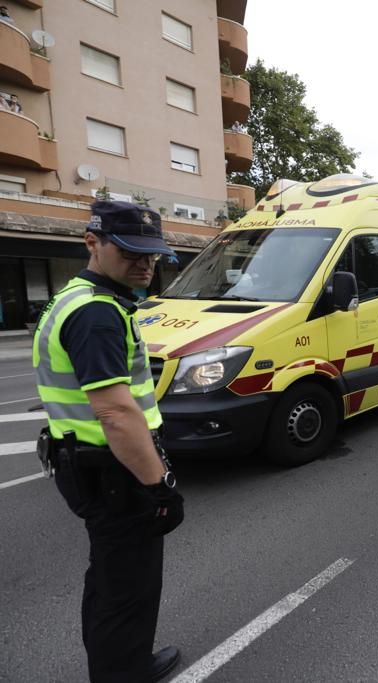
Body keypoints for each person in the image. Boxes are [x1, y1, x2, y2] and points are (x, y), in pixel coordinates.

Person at [33, 201, 184, 682]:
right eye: (131, 252)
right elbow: (116, 413)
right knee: (128, 589)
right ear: (92, 243)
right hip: (114, 472)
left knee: (110, 581)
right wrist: (159, 488)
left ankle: (123, 663)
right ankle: (124, 672)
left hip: (90, 463)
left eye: (153, 255)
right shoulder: (97, 313)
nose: (145, 263)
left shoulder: (81, 297)